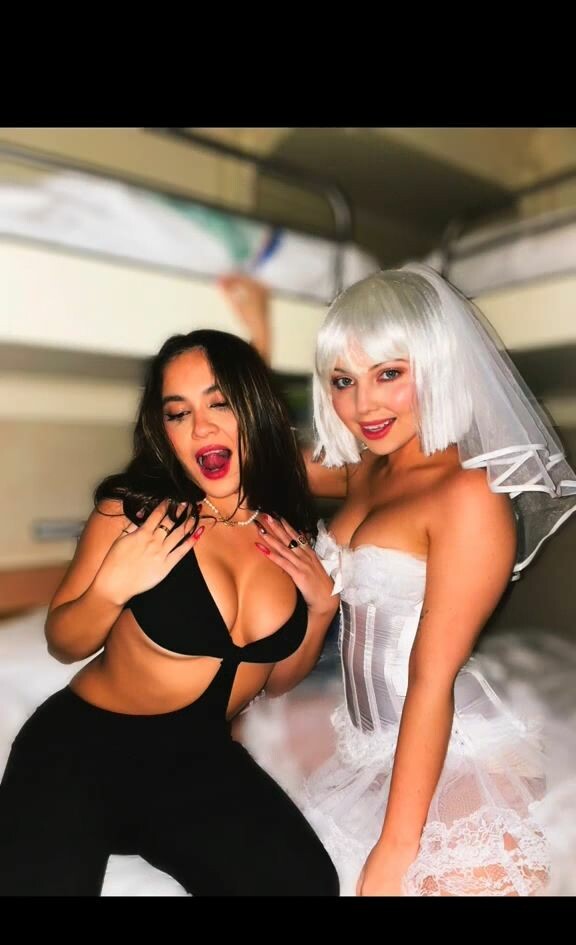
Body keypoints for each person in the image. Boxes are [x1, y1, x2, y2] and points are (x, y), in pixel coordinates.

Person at [224, 267, 576, 896]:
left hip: (447, 747)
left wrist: (395, 848)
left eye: (389, 374)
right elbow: (255, 456)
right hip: (363, 744)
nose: (364, 406)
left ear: (438, 366)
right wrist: (258, 339)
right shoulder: (366, 469)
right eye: (343, 381)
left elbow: (429, 677)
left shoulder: (469, 495)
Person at [0, 328, 340, 897]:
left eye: (219, 404)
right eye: (178, 413)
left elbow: (276, 683)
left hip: (198, 764)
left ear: (254, 410)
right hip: (82, 754)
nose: (200, 428)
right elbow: (64, 642)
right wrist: (111, 589)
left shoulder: (289, 531)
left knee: (307, 885)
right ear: (164, 431)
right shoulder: (136, 514)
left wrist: (321, 610)